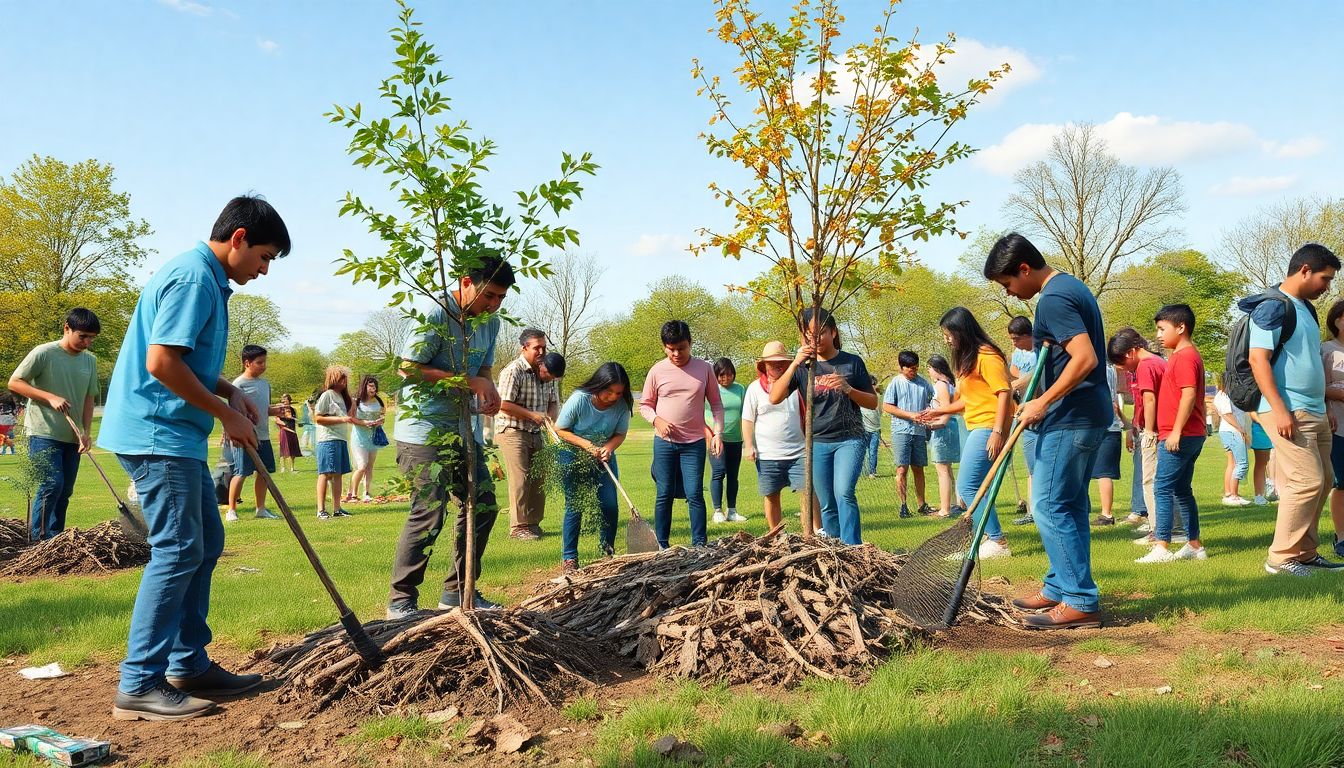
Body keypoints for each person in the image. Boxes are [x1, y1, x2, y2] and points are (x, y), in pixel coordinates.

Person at [97, 195, 289, 720]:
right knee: (180, 549)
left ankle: (188, 663)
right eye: (265, 256)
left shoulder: (204, 277)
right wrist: (225, 414)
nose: (264, 270)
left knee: (204, 544)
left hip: (173, 435)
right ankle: (139, 682)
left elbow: (182, 357)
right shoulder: (193, 279)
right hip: (157, 436)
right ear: (240, 238)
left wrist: (229, 390)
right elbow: (160, 363)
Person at [985, 233, 1109, 630]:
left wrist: (1044, 400)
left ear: (1024, 269)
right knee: (1070, 505)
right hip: (1085, 414)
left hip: (1071, 417)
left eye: (1008, 284)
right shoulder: (1072, 287)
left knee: (1049, 505)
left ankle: (1079, 600)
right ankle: (1059, 586)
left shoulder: (1054, 298)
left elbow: (1085, 358)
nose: (1010, 293)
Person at [386, 254, 512, 618]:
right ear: (466, 282)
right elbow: (408, 367)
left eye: (501, 299)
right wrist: (466, 381)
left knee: (484, 505)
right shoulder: (436, 312)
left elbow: (483, 367)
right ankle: (401, 601)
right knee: (429, 510)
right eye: (490, 296)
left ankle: (458, 592)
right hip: (423, 430)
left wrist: (487, 388)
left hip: (462, 430)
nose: (494, 305)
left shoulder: (492, 322)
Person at [1244, 243, 1344, 575]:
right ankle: (1280, 557)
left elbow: (1309, 362)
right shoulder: (1273, 307)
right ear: (1304, 270)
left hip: (1314, 409)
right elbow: (1257, 359)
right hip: (1289, 410)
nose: (1327, 287)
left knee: (1325, 478)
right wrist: (1280, 409)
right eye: (1325, 279)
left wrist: (1325, 406)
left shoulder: (1306, 309)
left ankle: (1306, 551)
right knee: (1306, 480)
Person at [769, 308, 877, 544]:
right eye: (809, 336)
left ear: (834, 332)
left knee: (844, 493)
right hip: (817, 441)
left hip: (850, 439)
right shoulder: (803, 368)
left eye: (821, 334)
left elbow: (872, 401)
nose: (814, 340)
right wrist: (795, 362)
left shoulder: (851, 362)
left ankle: (853, 548)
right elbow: (774, 397)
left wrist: (848, 389)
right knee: (827, 502)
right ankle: (836, 549)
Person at [921, 307, 1014, 558]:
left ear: (962, 330)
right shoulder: (968, 359)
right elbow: (969, 401)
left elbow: (1003, 392)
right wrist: (938, 412)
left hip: (988, 425)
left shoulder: (987, 355)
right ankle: (988, 536)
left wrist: (997, 431)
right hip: (977, 424)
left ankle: (997, 541)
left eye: (949, 334)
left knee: (967, 485)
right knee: (977, 486)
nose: (946, 339)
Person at [8, 308, 101, 540]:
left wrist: (86, 432)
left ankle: (55, 541)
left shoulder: (90, 361)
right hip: (42, 432)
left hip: (73, 435)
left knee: (65, 491)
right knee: (52, 485)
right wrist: (50, 397)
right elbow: (15, 382)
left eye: (91, 338)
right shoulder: (44, 353)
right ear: (66, 328)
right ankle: (39, 541)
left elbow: (90, 398)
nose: (87, 342)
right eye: (83, 336)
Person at [640, 321, 724, 548]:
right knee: (664, 493)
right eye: (671, 349)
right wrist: (657, 420)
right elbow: (645, 405)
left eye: (682, 348)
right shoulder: (657, 370)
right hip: (665, 443)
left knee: (694, 493)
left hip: (694, 443)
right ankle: (662, 544)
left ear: (690, 343)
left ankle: (699, 544)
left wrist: (717, 433)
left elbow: (716, 404)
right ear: (664, 347)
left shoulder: (704, 369)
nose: (676, 353)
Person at [1136, 304, 1208, 564]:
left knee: (1162, 488)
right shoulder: (1179, 355)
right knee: (1181, 490)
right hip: (1189, 434)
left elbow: (1189, 394)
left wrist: (1176, 431)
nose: (1157, 335)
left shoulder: (1185, 356)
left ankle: (1162, 546)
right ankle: (1194, 545)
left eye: (1161, 328)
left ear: (1181, 327)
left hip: (1181, 435)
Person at [552, 362, 632, 573]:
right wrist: (587, 446)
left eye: (619, 392)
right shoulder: (580, 399)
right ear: (599, 385)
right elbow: (560, 430)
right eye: (610, 391)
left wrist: (607, 448)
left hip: (603, 457)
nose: (614, 397)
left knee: (610, 506)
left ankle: (608, 552)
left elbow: (620, 434)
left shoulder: (622, 405)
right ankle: (569, 558)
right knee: (575, 506)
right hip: (572, 455)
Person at [495, 328, 562, 540]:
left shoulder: (547, 371)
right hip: (512, 430)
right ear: (524, 348)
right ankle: (518, 526)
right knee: (520, 478)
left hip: (536, 431)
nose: (541, 351)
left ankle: (533, 524)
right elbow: (503, 404)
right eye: (536, 348)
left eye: (544, 347)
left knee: (538, 478)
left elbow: (553, 403)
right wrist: (531, 415)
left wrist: (549, 419)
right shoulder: (513, 371)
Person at [1108, 328, 1169, 544]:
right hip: (1155, 428)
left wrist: (1149, 430)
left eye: (1121, 363)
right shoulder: (1157, 363)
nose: (1122, 369)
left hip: (1156, 431)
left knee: (1150, 481)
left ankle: (1158, 531)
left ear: (1130, 353)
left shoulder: (1146, 366)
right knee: (1161, 482)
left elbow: (1150, 400)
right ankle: (1165, 529)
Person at [742, 341, 810, 530]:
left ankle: (811, 534)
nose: (777, 365)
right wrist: (749, 445)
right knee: (771, 495)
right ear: (763, 365)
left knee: (808, 493)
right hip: (767, 455)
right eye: (772, 363)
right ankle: (775, 535)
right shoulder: (754, 388)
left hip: (799, 452)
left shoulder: (798, 385)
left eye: (781, 362)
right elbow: (747, 419)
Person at [223, 345, 281, 522]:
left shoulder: (265, 384)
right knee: (241, 472)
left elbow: (263, 409)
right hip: (245, 438)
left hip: (264, 436)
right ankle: (231, 510)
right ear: (247, 363)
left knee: (264, 473)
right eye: (259, 362)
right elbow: (234, 412)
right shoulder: (237, 385)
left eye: (265, 362)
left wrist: (275, 411)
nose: (263, 365)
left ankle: (260, 509)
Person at [883, 350, 935, 518]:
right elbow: (888, 407)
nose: (914, 371)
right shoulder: (895, 383)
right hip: (901, 431)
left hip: (919, 432)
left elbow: (934, 400)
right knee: (902, 469)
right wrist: (911, 415)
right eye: (910, 368)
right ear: (901, 367)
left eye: (916, 368)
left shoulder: (923, 383)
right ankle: (903, 505)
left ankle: (922, 504)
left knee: (918, 468)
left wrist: (930, 411)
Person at [707, 357, 747, 523]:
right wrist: (713, 434)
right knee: (718, 472)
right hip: (716, 439)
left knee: (733, 475)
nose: (726, 378)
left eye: (729, 374)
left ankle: (732, 510)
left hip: (735, 439)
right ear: (716, 375)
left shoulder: (740, 389)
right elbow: (702, 413)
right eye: (722, 375)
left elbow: (745, 414)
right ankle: (717, 510)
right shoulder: (710, 389)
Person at [313, 366, 356, 519]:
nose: (344, 381)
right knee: (325, 473)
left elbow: (351, 415)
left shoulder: (342, 397)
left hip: (341, 438)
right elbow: (317, 418)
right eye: (341, 378)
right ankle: (321, 510)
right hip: (328, 439)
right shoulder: (327, 395)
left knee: (338, 474)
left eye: (345, 378)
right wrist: (341, 419)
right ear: (333, 379)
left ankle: (337, 509)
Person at [925, 354, 965, 518]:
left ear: (936, 369)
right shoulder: (950, 384)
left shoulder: (941, 385)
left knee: (941, 469)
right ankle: (955, 504)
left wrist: (938, 423)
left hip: (944, 429)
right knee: (947, 470)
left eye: (929, 369)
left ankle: (945, 510)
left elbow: (946, 408)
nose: (928, 372)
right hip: (951, 427)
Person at [1006, 315, 1037, 524]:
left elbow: (1037, 373)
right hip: (1024, 413)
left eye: (1017, 339)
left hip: (1042, 411)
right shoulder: (1017, 353)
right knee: (1031, 466)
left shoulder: (1041, 352)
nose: (1014, 343)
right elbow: (1013, 377)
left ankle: (1040, 510)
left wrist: (1018, 385)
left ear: (1028, 335)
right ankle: (1031, 511)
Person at [1089, 362, 1126, 525]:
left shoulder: (1098, 368)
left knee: (1103, 473)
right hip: (1111, 425)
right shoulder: (1110, 368)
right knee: (1101, 473)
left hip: (1104, 426)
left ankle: (1107, 514)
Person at [1322, 299, 1344, 557]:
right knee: (1341, 483)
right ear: (1337, 320)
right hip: (1337, 425)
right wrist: (1332, 401)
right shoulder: (1326, 349)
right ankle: (1341, 536)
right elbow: (1317, 386)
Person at [1213, 374, 1252, 507]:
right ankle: (1234, 495)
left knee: (1232, 463)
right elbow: (1227, 414)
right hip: (1233, 431)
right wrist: (1240, 429)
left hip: (1227, 431)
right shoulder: (1225, 396)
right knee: (1242, 464)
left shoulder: (1220, 395)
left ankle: (1229, 493)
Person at [347, 375, 387, 503]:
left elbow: (382, 417)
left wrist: (380, 421)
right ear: (364, 387)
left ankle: (367, 492)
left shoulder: (379, 401)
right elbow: (351, 419)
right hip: (359, 438)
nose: (373, 388)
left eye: (374, 386)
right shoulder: (356, 401)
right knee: (362, 465)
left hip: (373, 437)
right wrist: (364, 423)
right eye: (370, 385)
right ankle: (353, 493)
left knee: (369, 466)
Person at [859, 376, 882, 480]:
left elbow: (879, 412)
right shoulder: (861, 396)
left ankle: (872, 472)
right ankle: (860, 471)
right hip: (863, 429)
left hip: (875, 429)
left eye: (874, 384)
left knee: (873, 451)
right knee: (861, 451)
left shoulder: (877, 397)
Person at [274, 393, 301, 473]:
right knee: (283, 449)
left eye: (286, 399)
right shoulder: (280, 409)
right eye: (283, 399)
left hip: (292, 430)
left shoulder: (293, 410)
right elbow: (277, 420)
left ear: (289, 400)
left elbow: (296, 419)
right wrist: (283, 423)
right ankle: (283, 468)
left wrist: (297, 422)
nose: (284, 401)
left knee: (293, 450)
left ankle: (292, 467)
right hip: (284, 430)